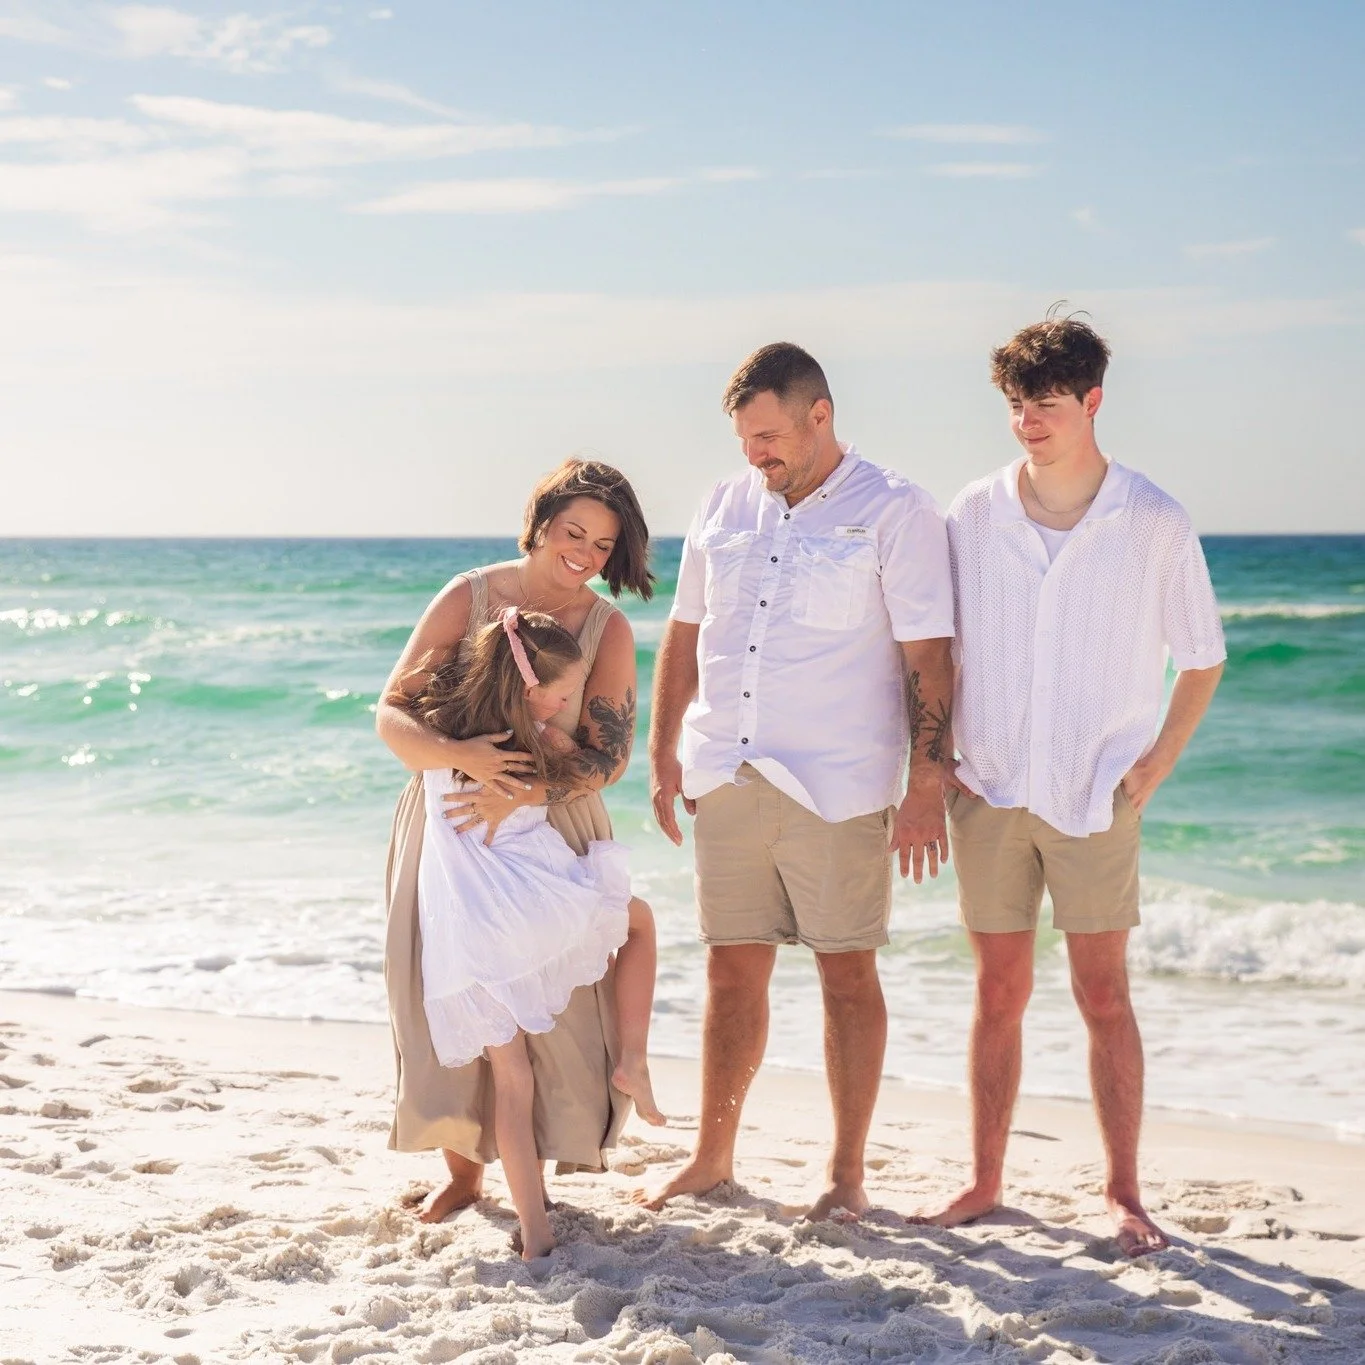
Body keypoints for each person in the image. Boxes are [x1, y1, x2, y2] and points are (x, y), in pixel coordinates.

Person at [915, 314, 1226, 1255]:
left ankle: (1124, 1191)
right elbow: (935, 651)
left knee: (1102, 993)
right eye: (1015, 404)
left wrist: (1155, 762)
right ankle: (984, 1179)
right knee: (997, 989)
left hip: (1097, 793)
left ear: (1092, 400)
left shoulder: (1153, 520)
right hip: (989, 785)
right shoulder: (972, 511)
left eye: (1044, 404)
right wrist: (928, 772)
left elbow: (1201, 657)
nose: (1026, 422)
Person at [643, 342, 955, 1219]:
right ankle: (712, 1157)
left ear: (821, 415)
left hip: (838, 782)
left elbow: (929, 658)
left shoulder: (896, 509)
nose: (757, 453)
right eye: (747, 438)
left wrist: (925, 784)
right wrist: (664, 750)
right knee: (728, 973)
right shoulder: (723, 502)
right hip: (726, 770)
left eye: (771, 435)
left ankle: (845, 1174)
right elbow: (683, 631)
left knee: (846, 974)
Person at [377, 458, 657, 1227]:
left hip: (551, 829)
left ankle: (538, 1176)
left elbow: (608, 756)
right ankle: (463, 1176)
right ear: (538, 525)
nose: (585, 554)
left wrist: (530, 790)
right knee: (437, 1000)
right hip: (448, 827)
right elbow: (391, 714)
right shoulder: (467, 597)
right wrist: (467, 761)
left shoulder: (608, 627)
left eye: (604, 544)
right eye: (573, 532)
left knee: (558, 1020)